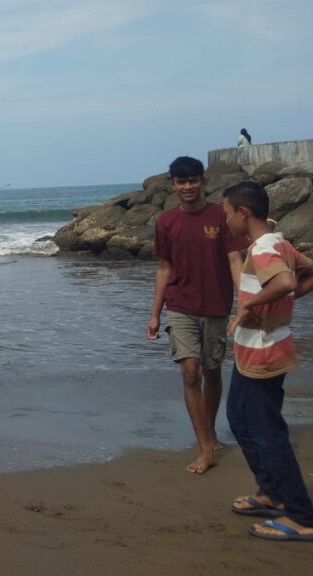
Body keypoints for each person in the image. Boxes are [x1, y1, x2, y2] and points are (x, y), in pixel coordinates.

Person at [221, 180, 313, 541]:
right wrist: (277, 304)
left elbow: (286, 282)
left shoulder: (262, 250)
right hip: (255, 350)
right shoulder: (279, 242)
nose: (226, 221)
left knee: (266, 433)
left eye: (227, 214)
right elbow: (303, 276)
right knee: (239, 420)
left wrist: (251, 305)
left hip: (263, 353)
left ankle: (301, 516)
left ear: (244, 213)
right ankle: (272, 494)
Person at [146, 155, 244, 475]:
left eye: (192, 180)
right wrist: (155, 314)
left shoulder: (220, 216)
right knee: (190, 371)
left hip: (216, 305)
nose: (187, 186)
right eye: (181, 181)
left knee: (212, 371)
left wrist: (244, 302)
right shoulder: (166, 222)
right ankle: (204, 447)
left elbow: (233, 260)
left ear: (202, 181)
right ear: (173, 185)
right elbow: (164, 268)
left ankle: (211, 431)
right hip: (180, 305)